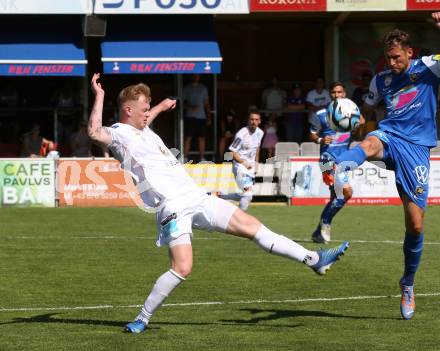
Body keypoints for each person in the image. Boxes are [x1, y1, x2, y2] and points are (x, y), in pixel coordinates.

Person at [88, 73, 350, 334]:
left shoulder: (142, 128)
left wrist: (159, 107)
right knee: (183, 267)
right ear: (128, 109)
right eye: (144, 109)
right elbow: (94, 132)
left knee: (253, 226)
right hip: (173, 205)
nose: (147, 114)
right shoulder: (119, 134)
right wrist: (99, 96)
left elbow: (146, 119)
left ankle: (314, 259)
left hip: (195, 195)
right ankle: (142, 318)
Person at [331, 14, 440, 320]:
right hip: (389, 134)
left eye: (395, 57)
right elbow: (368, 107)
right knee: (369, 144)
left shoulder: (430, 66)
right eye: (387, 58)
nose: (391, 63)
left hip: (417, 148)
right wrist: (355, 117)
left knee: (415, 224)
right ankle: (340, 165)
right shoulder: (381, 79)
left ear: (410, 52)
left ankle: (407, 283)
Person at [309, 82, 361, 244]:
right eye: (333, 92)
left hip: (343, 160)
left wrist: (358, 124)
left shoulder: (351, 110)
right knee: (346, 193)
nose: (337, 95)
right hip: (327, 159)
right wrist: (320, 139)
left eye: (339, 92)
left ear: (344, 93)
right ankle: (325, 223)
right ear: (330, 94)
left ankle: (319, 232)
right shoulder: (321, 114)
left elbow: (359, 127)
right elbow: (311, 133)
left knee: (336, 197)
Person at [219, 110, 264, 211]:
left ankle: (220, 196)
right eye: (252, 119)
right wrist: (244, 162)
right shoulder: (241, 134)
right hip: (239, 166)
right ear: (248, 121)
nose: (254, 122)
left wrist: (256, 163)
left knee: (246, 194)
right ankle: (239, 217)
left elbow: (257, 148)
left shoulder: (260, 133)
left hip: (250, 167)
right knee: (248, 193)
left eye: (256, 120)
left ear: (259, 121)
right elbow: (232, 151)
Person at [183, 74, 211, 161]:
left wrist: (209, 116)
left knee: (201, 137)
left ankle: (202, 158)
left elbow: (207, 104)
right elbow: (182, 103)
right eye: (194, 76)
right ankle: (185, 157)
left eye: (197, 76)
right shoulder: (186, 88)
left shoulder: (203, 88)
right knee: (188, 137)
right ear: (191, 77)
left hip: (201, 117)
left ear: (199, 77)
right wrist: (190, 107)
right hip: (190, 117)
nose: (196, 77)